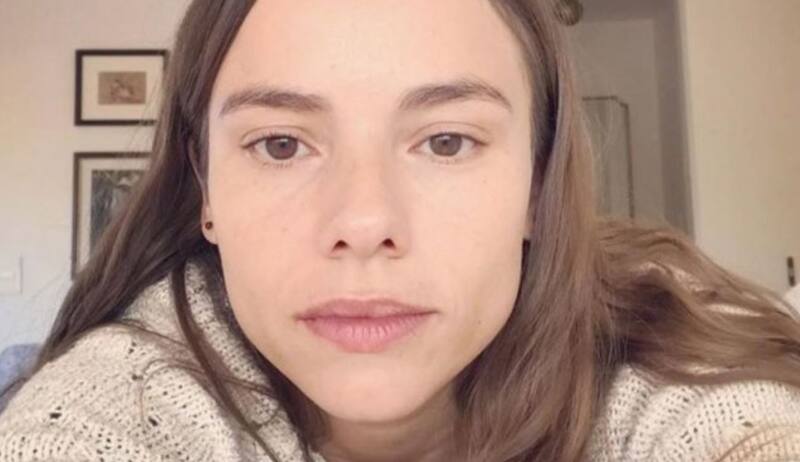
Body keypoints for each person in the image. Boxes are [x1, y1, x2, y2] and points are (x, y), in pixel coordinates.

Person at [1, 1, 800, 461]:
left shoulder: (681, 369)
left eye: (446, 142)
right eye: (280, 145)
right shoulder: (113, 408)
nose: (364, 223)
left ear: (537, 185)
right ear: (206, 187)